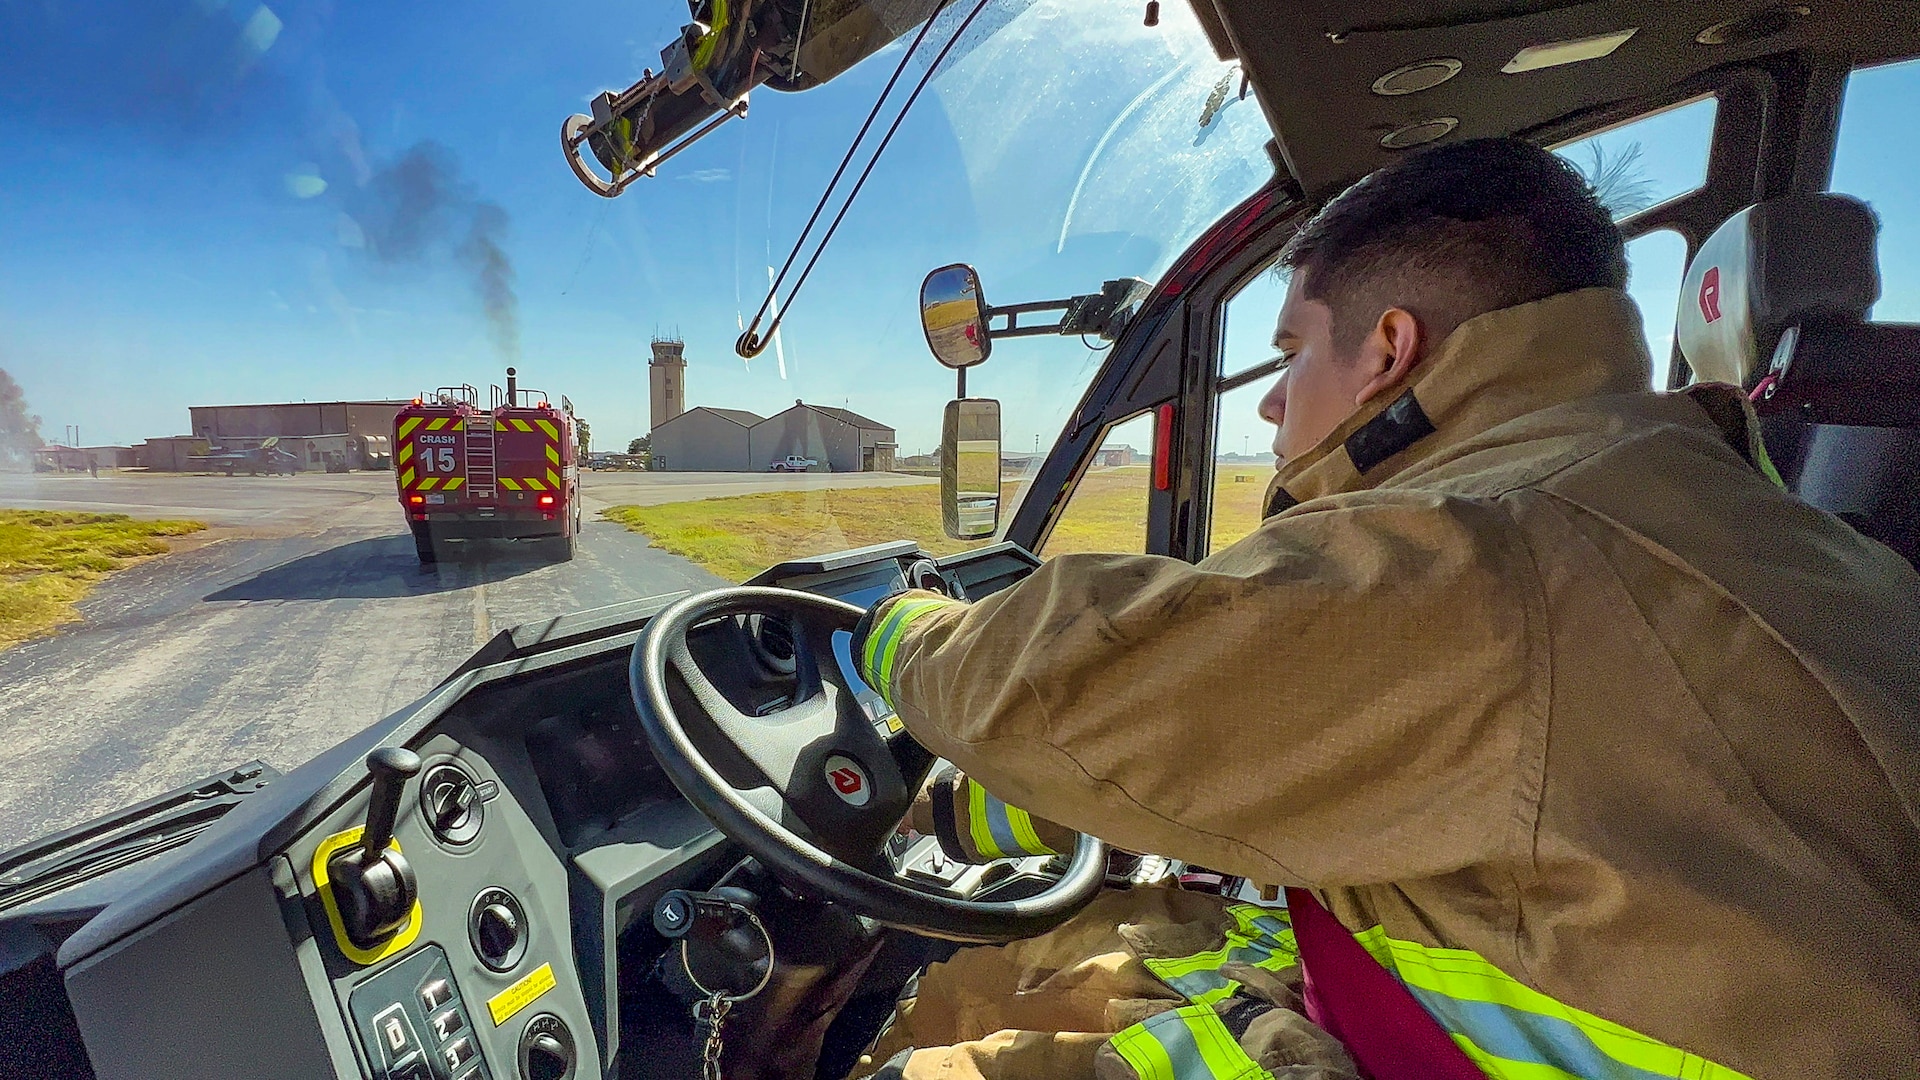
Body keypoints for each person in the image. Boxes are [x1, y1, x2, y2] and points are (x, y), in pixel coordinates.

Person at [849, 137, 1920, 1080]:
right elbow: (1238, 718)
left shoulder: (1494, 545)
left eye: (1289, 354)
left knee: (937, 1043)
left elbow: (1056, 673)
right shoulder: (1676, 490)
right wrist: (953, 808)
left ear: (1390, 351)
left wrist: (892, 633)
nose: (1270, 399)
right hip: (1504, 993)